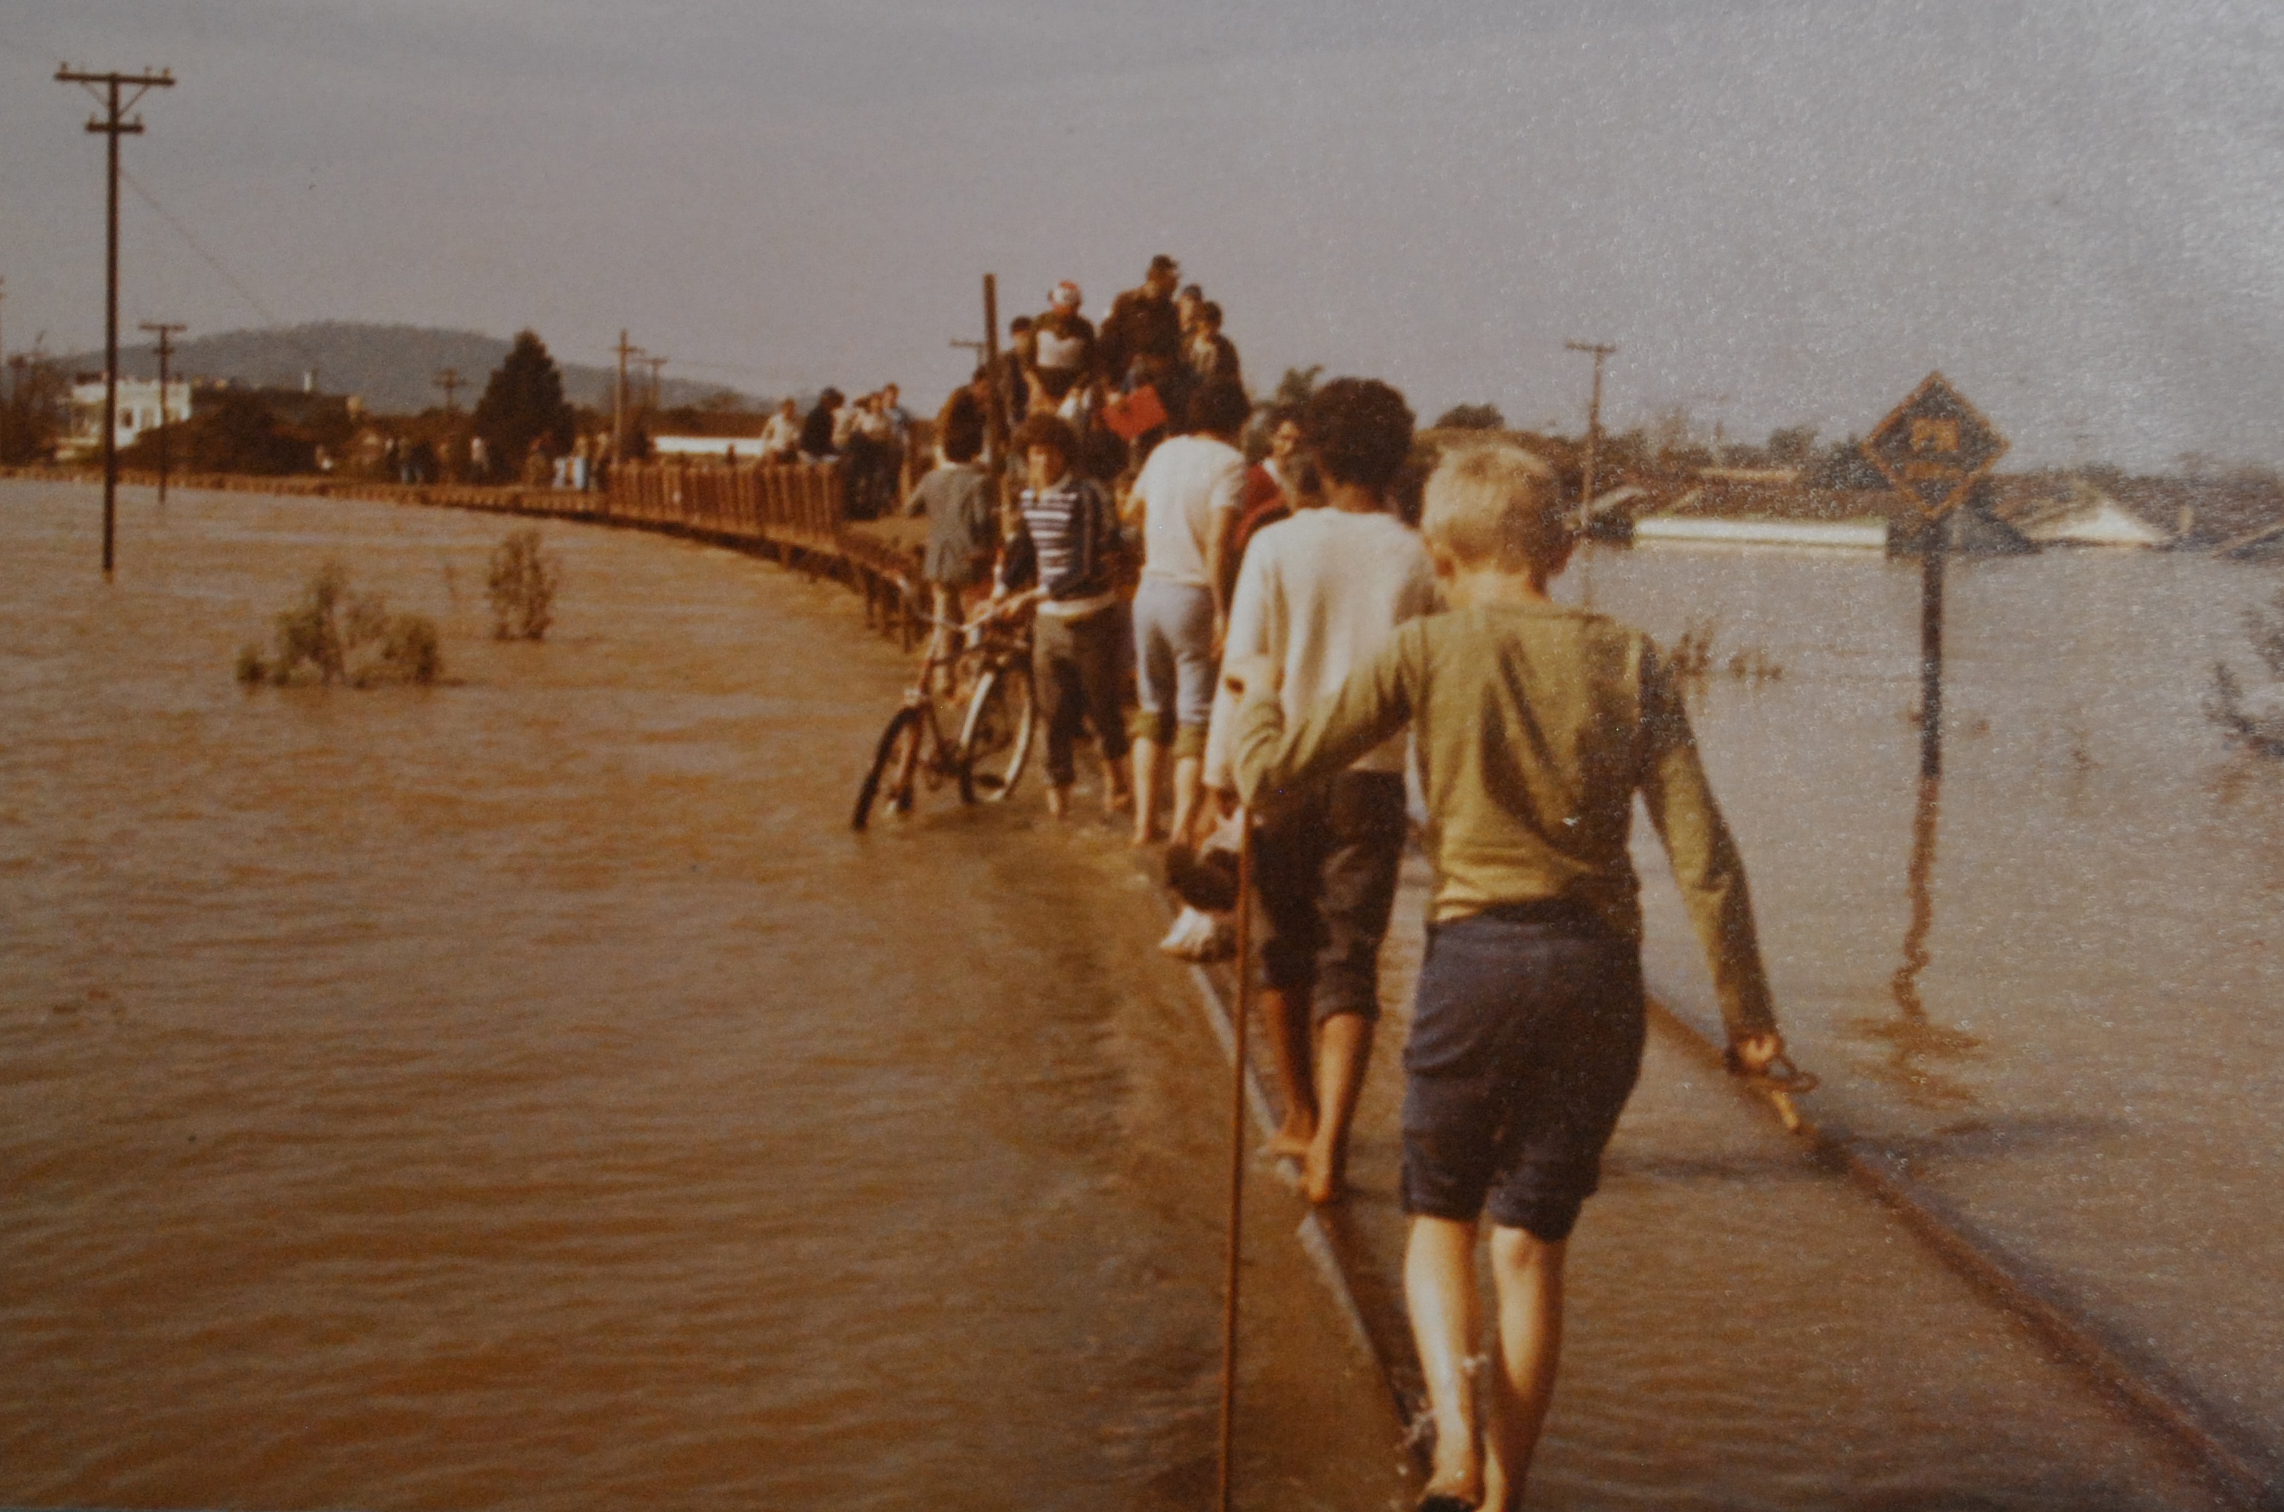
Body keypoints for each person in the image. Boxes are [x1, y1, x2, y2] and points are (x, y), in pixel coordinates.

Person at [1224, 438, 1788, 1512]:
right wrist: (1749, 1022)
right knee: (1531, 1247)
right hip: (1597, 980)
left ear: (1438, 552)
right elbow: (1703, 855)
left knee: (1438, 1217)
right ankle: (1505, 1496)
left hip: (1475, 966)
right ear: (1563, 552)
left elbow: (1272, 775)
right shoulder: (1631, 656)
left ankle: (1450, 1457)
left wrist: (1253, 690)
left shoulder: (1424, 647)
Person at [1203, 378, 1436, 1206]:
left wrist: (1221, 779)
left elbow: (1245, 674)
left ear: (1319, 457)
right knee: (1351, 966)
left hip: (1283, 771)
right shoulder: (1417, 555)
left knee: (1280, 952)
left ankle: (1299, 1117)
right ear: (1397, 458)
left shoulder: (1277, 546)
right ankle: (1333, 1145)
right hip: (1371, 782)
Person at [1125, 377, 1249, 848]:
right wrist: (1222, 609)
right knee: (1194, 715)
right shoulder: (1231, 463)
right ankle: (1179, 829)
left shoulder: (1164, 450)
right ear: (1237, 421)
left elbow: (1131, 511)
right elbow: (1219, 542)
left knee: (1152, 710)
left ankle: (1141, 826)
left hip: (1150, 590)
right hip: (1193, 595)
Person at [1006, 412, 1133, 821]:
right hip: (1049, 621)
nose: (1041, 463)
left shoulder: (1085, 496)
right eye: (1034, 455)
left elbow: (1083, 564)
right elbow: (1024, 548)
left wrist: (1032, 595)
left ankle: (1117, 781)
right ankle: (1059, 809)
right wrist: (1001, 590)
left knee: (1103, 711)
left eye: (1049, 454)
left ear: (1064, 456)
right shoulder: (1028, 498)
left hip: (1090, 616)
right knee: (1054, 714)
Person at [904, 394, 998, 680]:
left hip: (939, 564)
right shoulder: (981, 481)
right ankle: (972, 679)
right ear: (976, 449)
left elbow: (910, 509)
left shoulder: (932, 479)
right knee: (973, 622)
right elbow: (983, 522)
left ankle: (943, 680)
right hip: (971, 564)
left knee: (942, 623)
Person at [1027, 283, 1097, 417]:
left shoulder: (1085, 328)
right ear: (1053, 303)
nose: (1066, 314)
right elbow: (1027, 361)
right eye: (1062, 309)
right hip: (1042, 393)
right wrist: (1035, 386)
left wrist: (1078, 388)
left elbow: (1091, 365)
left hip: (1072, 394)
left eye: (1071, 309)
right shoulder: (1040, 323)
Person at [1185, 301, 1242, 389]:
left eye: (1214, 324)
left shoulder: (1226, 348)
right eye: (1207, 324)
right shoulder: (1187, 345)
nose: (1210, 329)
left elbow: (1234, 379)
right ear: (1198, 322)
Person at [800, 388, 844, 461]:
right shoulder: (817, 415)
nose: (834, 403)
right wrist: (832, 451)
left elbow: (826, 440)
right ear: (826, 400)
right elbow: (813, 440)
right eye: (832, 400)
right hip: (811, 452)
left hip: (820, 449)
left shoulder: (828, 415)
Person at [759, 398, 803, 463]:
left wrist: (792, 442)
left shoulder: (795, 423)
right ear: (782, 410)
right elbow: (765, 434)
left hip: (788, 451)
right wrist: (767, 447)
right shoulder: (774, 420)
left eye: (792, 410)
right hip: (774, 449)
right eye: (789, 409)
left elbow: (797, 437)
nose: (791, 411)